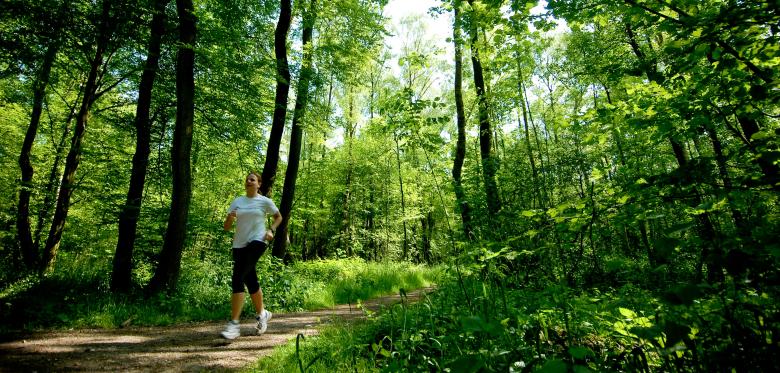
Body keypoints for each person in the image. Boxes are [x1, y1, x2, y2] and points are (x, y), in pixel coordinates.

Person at [220, 171, 282, 340]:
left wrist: (271, 229)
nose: (248, 181)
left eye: (252, 179)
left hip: (258, 240)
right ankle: (263, 313)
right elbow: (226, 227)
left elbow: (278, 217)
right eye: (247, 179)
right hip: (239, 244)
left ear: (259, 184)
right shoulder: (237, 201)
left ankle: (234, 324)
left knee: (238, 276)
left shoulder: (264, 201)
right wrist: (230, 219)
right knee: (249, 278)